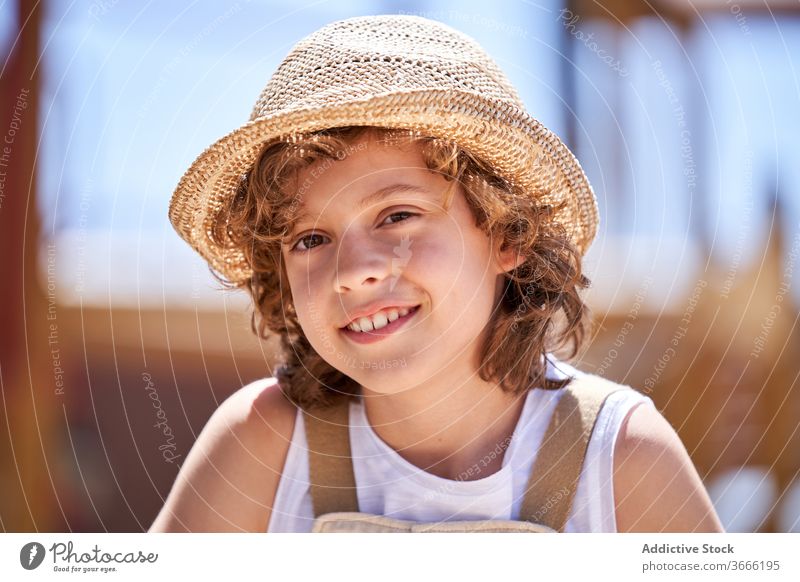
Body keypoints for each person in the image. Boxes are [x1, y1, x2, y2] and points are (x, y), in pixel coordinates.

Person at [150, 14, 723, 533]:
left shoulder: (621, 458)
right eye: (310, 239)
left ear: (508, 235)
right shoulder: (262, 444)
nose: (353, 272)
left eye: (397, 216)